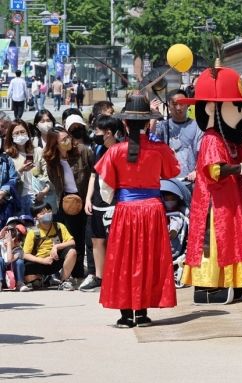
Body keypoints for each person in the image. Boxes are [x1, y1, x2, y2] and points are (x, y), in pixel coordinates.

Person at [96, 92, 180, 327]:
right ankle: (142, 313)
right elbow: (172, 172)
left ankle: (125, 315)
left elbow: (105, 189)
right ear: (147, 122)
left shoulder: (115, 151)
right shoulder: (159, 148)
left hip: (126, 209)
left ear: (124, 122)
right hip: (152, 209)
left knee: (124, 260)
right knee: (148, 259)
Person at [179, 66, 242, 305]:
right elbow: (215, 170)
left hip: (230, 203)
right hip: (215, 205)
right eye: (238, 107)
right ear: (214, 108)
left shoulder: (227, 139)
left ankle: (228, 283)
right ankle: (210, 286)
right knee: (214, 244)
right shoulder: (212, 139)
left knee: (230, 241)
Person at [43, 127, 93, 279]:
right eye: (63, 139)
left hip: (86, 198)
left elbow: (94, 175)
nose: (68, 141)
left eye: (68, 137)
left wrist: (90, 198)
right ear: (55, 144)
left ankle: (93, 273)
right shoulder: (52, 161)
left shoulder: (83, 151)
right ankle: (77, 274)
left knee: (90, 238)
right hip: (68, 202)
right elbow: (54, 181)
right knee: (74, 239)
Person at [80, 115, 122, 293]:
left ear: (108, 132)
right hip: (97, 201)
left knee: (115, 239)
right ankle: (99, 276)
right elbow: (93, 175)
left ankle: (117, 275)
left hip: (114, 201)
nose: (94, 134)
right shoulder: (97, 149)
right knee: (96, 239)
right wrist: (88, 198)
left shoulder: (120, 149)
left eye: (97, 131)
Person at [22, 202, 77, 291]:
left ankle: (64, 280)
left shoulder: (59, 226)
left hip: (55, 260)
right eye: (42, 213)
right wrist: (42, 260)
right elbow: (25, 254)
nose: (46, 214)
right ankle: (40, 279)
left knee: (72, 252)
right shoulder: (33, 232)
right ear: (36, 217)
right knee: (32, 278)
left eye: (48, 211)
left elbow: (72, 242)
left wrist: (56, 247)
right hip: (40, 262)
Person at [154, 89, 203, 179]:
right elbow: (150, 142)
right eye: (174, 104)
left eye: (181, 104)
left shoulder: (198, 127)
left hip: (191, 179)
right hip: (168, 181)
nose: (178, 108)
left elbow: (202, 154)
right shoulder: (162, 126)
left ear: (188, 104)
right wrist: (152, 115)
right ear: (168, 105)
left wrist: (197, 171)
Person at [4, 120, 50, 216]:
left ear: (27, 133)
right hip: (19, 199)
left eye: (22, 131)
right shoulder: (8, 157)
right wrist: (20, 170)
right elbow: (7, 181)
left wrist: (45, 190)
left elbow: (48, 173)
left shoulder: (37, 152)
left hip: (38, 197)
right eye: (16, 133)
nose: (20, 135)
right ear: (11, 136)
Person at [0, 220, 29, 291]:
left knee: (19, 262)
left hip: (13, 279)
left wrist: (9, 244)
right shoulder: (1, 243)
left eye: (16, 240)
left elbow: (9, 260)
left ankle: (20, 283)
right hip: (3, 278)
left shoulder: (19, 250)